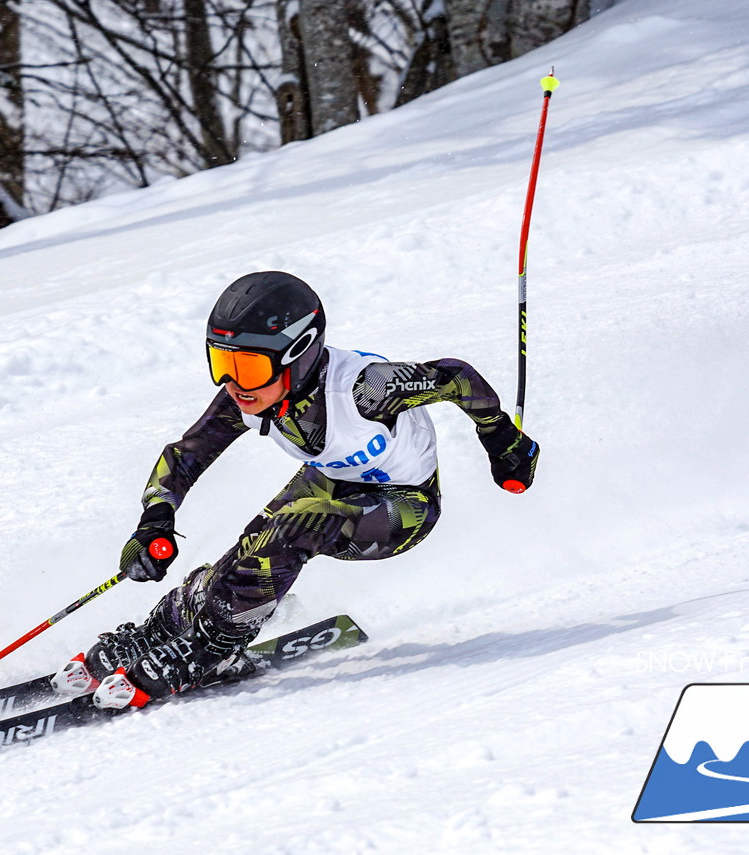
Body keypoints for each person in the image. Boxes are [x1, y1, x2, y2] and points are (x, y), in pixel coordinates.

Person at [51, 271, 539, 709]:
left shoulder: (366, 389)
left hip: (402, 506)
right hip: (328, 481)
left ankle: (211, 648)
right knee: (250, 546)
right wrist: (155, 519)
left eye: (249, 368)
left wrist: (501, 439)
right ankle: (168, 627)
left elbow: (455, 376)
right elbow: (186, 455)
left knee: (292, 533)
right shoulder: (248, 396)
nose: (233, 383)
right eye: (222, 361)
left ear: (299, 353)